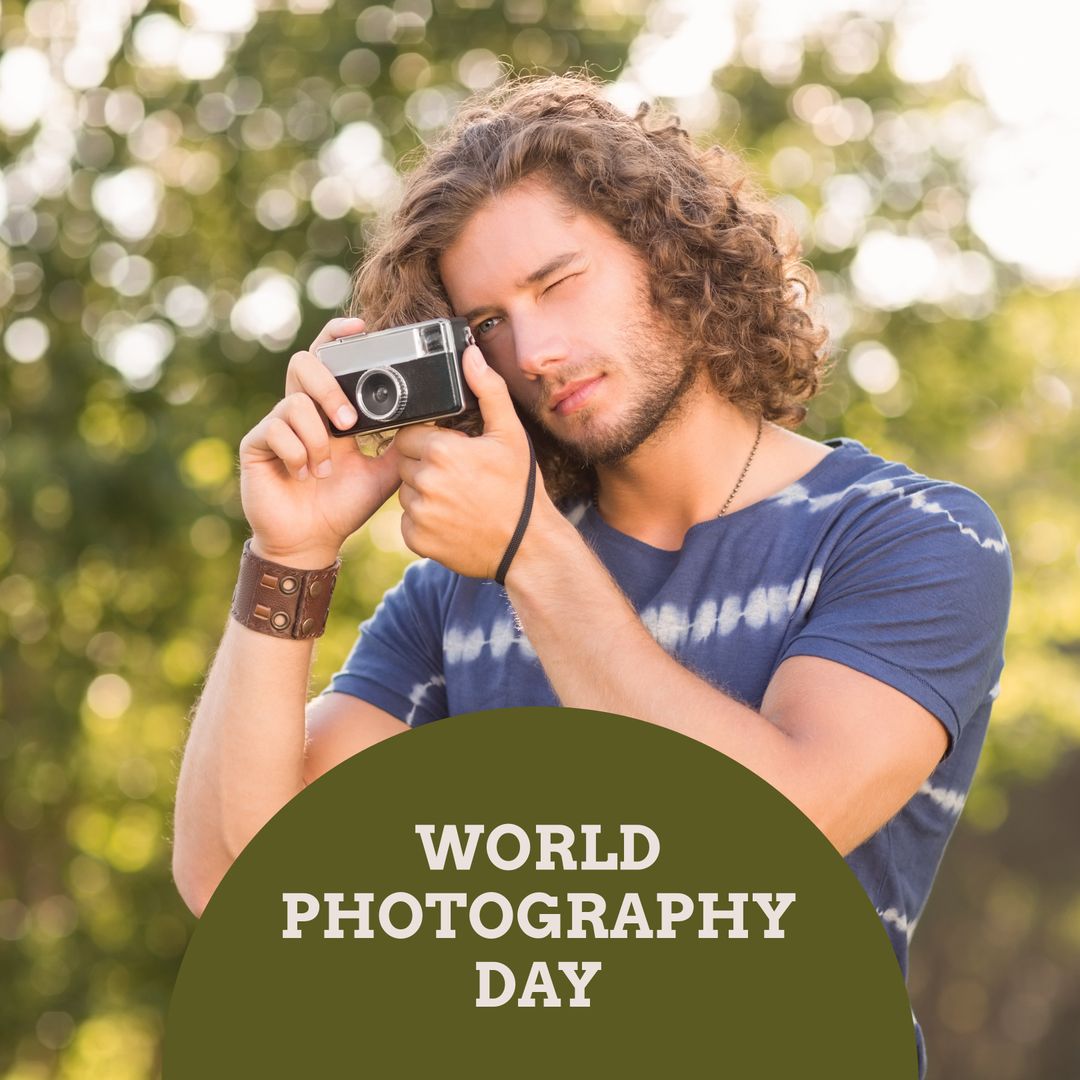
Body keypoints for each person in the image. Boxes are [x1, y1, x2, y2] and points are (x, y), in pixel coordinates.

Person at [173, 75, 1011, 1072]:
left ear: (672, 256)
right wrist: (290, 555)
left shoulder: (909, 537)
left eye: (558, 282)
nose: (536, 352)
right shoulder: (458, 596)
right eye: (488, 324)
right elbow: (240, 877)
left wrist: (528, 546)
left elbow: (775, 833)